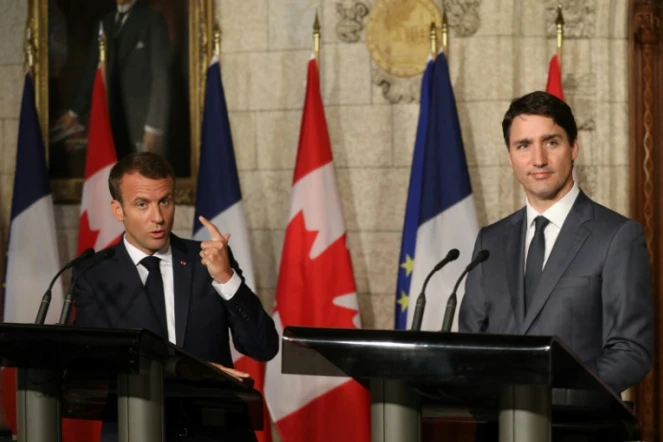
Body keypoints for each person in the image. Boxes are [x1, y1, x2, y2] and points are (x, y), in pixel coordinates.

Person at [73, 152, 278, 441]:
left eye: (165, 202)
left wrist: (226, 278)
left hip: (216, 432)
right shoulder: (94, 274)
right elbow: (97, 368)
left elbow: (263, 346)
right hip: (138, 430)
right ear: (118, 210)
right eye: (142, 204)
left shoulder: (208, 260)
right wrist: (193, 371)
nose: (157, 218)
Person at [459, 91, 653, 395]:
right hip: (498, 427)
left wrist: (553, 395)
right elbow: (471, 343)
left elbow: (631, 350)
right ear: (510, 156)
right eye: (524, 145)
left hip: (576, 429)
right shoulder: (490, 241)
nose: (538, 159)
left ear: (573, 147)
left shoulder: (617, 236)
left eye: (551, 142)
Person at [57, 0, 170, 158]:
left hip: (141, 124)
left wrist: (154, 126)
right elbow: (92, 72)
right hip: (110, 121)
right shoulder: (105, 23)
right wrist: (74, 112)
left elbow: (161, 76)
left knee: (140, 178)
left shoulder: (152, 19)